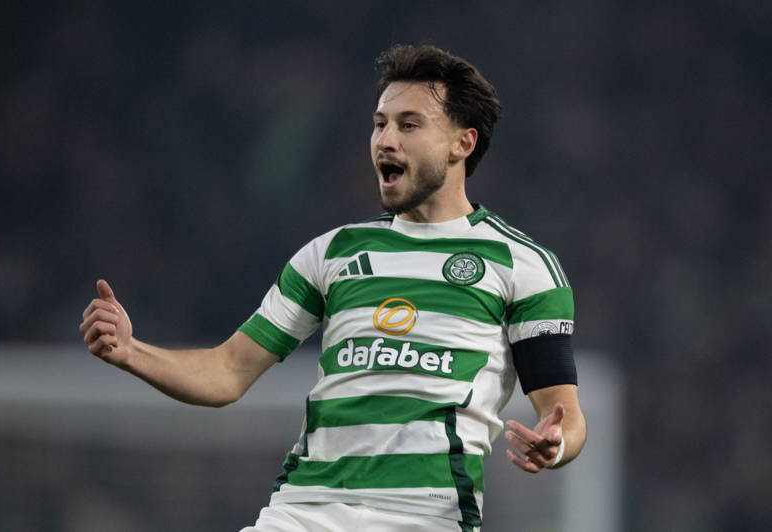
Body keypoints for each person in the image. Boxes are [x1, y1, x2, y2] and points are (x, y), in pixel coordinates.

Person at [79, 44, 586, 532]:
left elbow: (564, 416)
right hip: (303, 510)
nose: (385, 140)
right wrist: (131, 352)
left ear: (463, 143)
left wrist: (556, 444)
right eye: (380, 124)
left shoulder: (523, 265)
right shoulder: (331, 254)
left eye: (409, 125)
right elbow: (228, 372)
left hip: (424, 516)